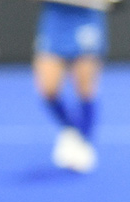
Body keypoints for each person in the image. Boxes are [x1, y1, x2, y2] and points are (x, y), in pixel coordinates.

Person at [33, 0, 114, 172]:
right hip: (55, 22)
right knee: (48, 90)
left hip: (85, 21)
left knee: (85, 90)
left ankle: (84, 142)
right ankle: (72, 132)